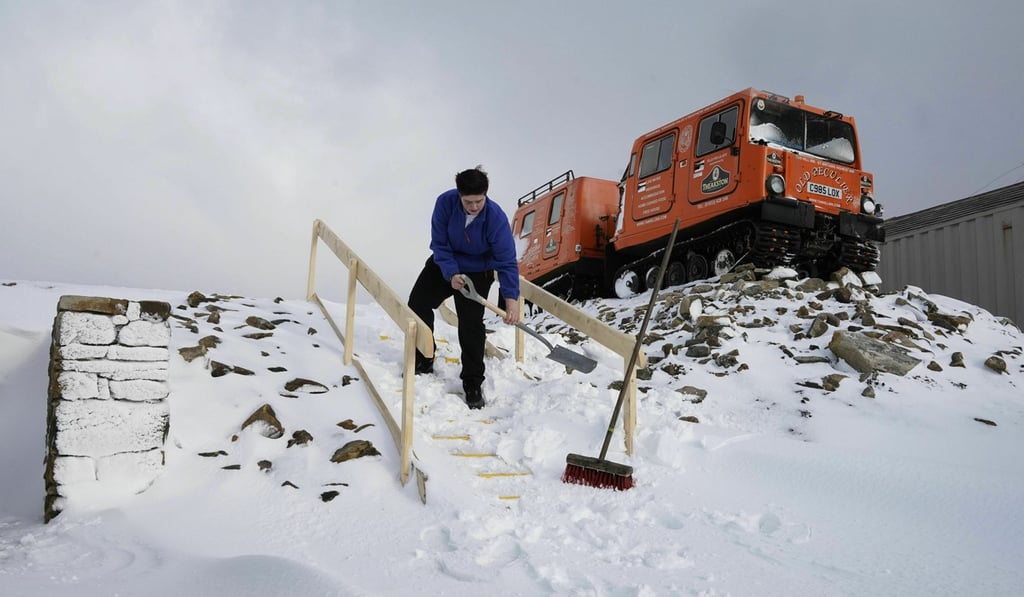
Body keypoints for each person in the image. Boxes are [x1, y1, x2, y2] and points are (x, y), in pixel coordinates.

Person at [408, 166, 521, 409]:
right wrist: (451, 274)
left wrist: (511, 300)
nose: (474, 206)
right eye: (468, 201)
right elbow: (439, 243)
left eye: (479, 201)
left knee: (471, 325)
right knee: (417, 304)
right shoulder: (445, 204)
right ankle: (424, 356)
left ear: (485, 195)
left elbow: (506, 261)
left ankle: (472, 383)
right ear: (459, 195)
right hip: (445, 264)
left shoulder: (496, 218)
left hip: (478, 271)